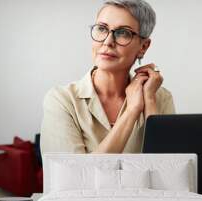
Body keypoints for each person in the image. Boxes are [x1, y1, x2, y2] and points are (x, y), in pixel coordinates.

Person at [40, 0, 175, 155]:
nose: (108, 41)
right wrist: (131, 112)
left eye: (123, 32)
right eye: (102, 29)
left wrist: (149, 101)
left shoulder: (161, 98)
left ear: (143, 47)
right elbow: (74, 176)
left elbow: (168, 172)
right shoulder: (62, 100)